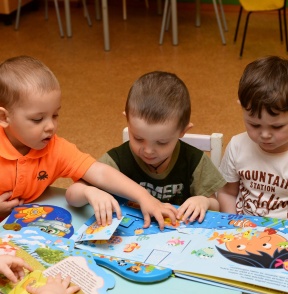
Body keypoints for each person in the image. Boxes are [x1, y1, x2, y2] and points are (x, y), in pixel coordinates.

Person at [0, 55, 177, 230]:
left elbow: (99, 172)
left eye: (55, 115)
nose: (50, 126)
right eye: (38, 119)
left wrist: (144, 197)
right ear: (4, 117)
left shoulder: (54, 148)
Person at [90, 71, 226, 223]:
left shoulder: (195, 161)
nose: (148, 150)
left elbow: (216, 206)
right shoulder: (116, 160)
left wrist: (204, 201)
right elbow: (79, 190)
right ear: (127, 121)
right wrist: (94, 193)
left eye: (162, 142)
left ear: (183, 131)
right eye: (138, 138)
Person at [218, 55, 288, 221]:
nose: (264, 135)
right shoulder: (237, 146)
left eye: (277, 127)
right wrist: (232, 225)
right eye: (254, 125)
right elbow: (227, 193)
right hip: (242, 231)